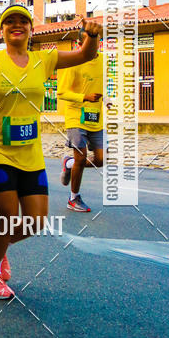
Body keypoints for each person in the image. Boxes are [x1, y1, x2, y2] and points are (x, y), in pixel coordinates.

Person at [0, 4, 103, 300]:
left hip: (30, 152)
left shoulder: (45, 59)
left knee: (36, 221)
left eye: (23, 21)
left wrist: (91, 37)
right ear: (2, 31)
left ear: (30, 29)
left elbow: (85, 54)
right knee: (9, 216)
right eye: (9, 22)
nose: (17, 25)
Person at [58, 28, 110, 213]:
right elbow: (62, 92)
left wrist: (108, 99)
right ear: (80, 44)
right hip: (75, 117)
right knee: (81, 157)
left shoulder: (104, 60)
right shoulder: (72, 63)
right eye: (89, 41)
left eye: (96, 40)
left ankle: (69, 164)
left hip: (96, 117)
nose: (93, 44)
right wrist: (84, 97)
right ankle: (73, 198)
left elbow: (103, 83)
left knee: (101, 159)